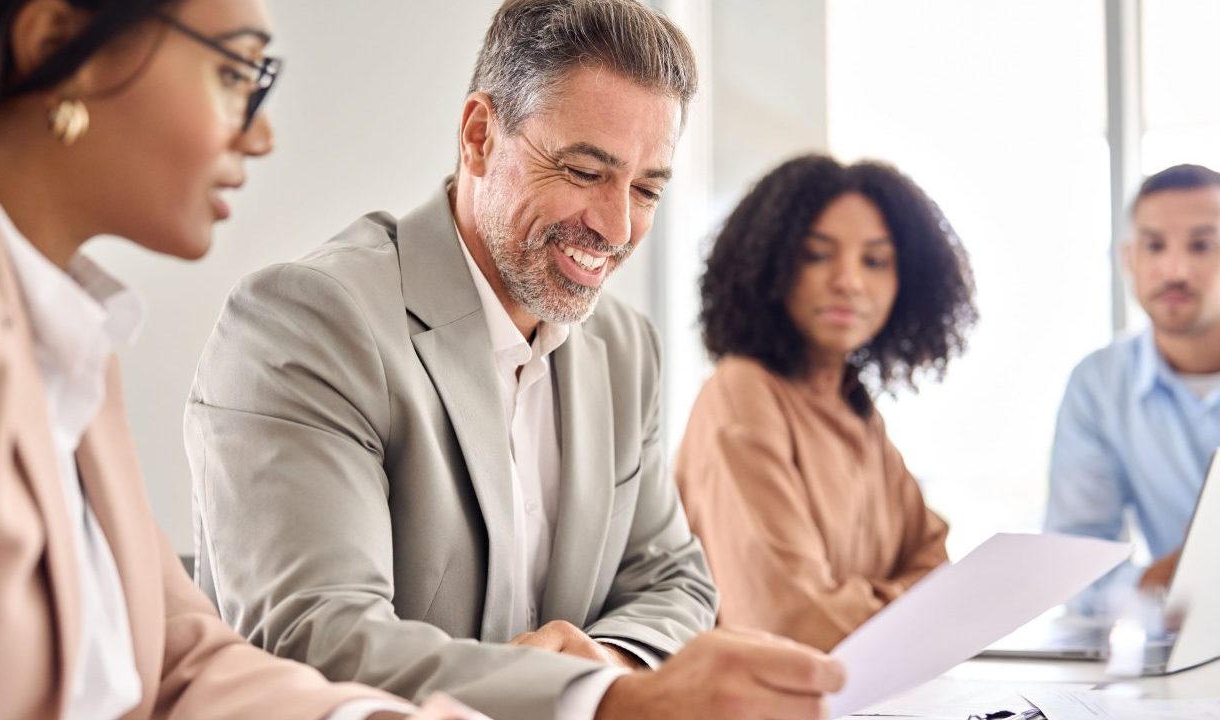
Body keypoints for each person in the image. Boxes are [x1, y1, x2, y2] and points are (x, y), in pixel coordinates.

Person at [185, 1, 844, 719]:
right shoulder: (309, 321)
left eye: (648, 188)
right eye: (586, 171)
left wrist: (611, 660)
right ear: (478, 137)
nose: (618, 226)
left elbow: (676, 581)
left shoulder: (624, 348)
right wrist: (601, 698)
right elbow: (316, 641)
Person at [0, 0, 479, 717]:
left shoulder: (69, 344)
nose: (260, 135)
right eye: (234, 73)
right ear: (57, 43)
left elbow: (175, 659)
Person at [675, 154, 977, 652]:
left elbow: (938, 573)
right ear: (772, 266)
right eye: (817, 255)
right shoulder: (742, 394)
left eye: (875, 261)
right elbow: (790, 622)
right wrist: (902, 604)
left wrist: (854, 602)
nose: (849, 281)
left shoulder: (858, 411)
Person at [1047, 164, 1220, 608]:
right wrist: (1162, 581)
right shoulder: (1098, 387)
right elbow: (1072, 569)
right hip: (1184, 645)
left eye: (1202, 246)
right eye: (1154, 246)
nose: (1175, 269)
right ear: (1129, 260)